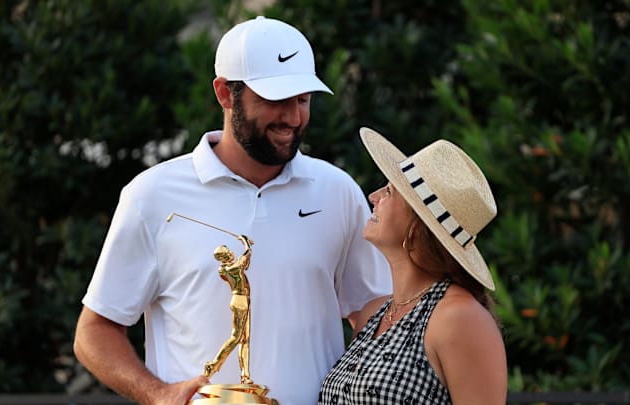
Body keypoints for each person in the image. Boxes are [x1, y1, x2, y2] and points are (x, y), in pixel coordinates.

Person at [73, 16, 391, 405]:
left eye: (303, 100)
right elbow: (95, 331)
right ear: (225, 94)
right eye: (275, 100)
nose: (292, 118)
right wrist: (158, 395)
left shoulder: (338, 191)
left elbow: (373, 315)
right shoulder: (151, 196)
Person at [318, 127, 508, 405]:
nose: (374, 196)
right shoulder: (374, 313)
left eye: (390, 191)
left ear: (418, 225)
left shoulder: (459, 318)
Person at [203, 235, 253, 382]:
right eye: (228, 251)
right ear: (224, 256)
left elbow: (246, 262)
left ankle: (245, 376)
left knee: (245, 340)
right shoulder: (230, 268)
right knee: (236, 337)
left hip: (244, 300)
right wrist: (244, 241)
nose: (231, 252)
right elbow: (246, 255)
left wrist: (247, 246)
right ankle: (213, 365)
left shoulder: (229, 268)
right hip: (240, 301)